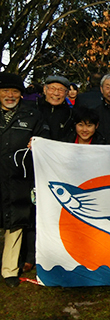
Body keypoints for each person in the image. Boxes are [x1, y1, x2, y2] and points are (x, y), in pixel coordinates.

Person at [1, 72, 47, 287]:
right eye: (5, 91)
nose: (10, 95)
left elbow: (43, 140)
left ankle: (9, 270)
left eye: (15, 91)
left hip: (19, 177)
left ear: (21, 94)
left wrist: (37, 143)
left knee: (16, 222)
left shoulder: (32, 115)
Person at [37, 75, 74, 141]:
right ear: (45, 90)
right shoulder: (34, 107)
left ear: (67, 93)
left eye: (61, 90)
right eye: (52, 88)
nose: (56, 93)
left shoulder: (70, 114)